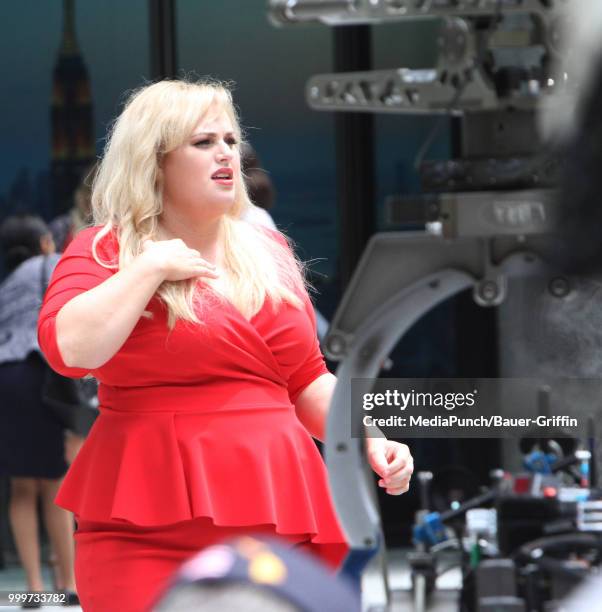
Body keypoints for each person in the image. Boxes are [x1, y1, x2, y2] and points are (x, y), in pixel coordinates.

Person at [37, 78, 414, 612]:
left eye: (231, 141)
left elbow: (306, 378)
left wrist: (368, 437)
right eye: (203, 142)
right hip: (144, 523)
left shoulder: (267, 249)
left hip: (276, 510)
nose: (226, 154)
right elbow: (70, 351)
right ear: (154, 160)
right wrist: (149, 268)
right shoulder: (104, 249)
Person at [0, 215, 78, 605]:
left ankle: (32, 588)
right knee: (55, 483)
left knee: (21, 486)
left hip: (5, 379)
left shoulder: (6, 283)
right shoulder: (54, 264)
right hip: (39, 375)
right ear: (46, 243)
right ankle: (68, 584)